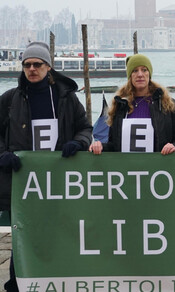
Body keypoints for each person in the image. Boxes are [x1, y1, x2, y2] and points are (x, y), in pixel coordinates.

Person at [0, 41, 93, 292]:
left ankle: (57, 279)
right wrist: (3, 154)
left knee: (59, 233)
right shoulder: (9, 100)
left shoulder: (67, 99)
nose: (31, 69)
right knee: (23, 237)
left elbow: (85, 128)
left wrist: (78, 142)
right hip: (22, 184)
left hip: (59, 181)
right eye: (27, 65)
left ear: (48, 67)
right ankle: (17, 283)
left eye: (37, 64)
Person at [89, 54, 175, 154]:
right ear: (130, 75)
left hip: (159, 167)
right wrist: (100, 146)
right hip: (127, 168)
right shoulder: (120, 105)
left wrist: (174, 146)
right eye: (135, 71)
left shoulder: (166, 103)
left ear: (149, 74)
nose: (140, 74)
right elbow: (114, 145)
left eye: (144, 70)